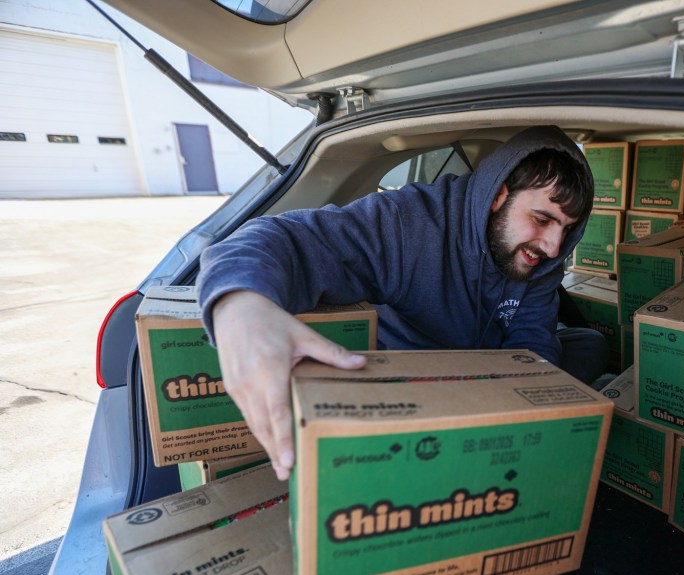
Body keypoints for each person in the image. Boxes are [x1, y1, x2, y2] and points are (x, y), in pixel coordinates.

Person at [197, 125, 607, 481]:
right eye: (542, 219)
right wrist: (242, 306)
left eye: (566, 228)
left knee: (591, 343)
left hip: (493, 387)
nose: (553, 247)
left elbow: (532, 338)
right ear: (500, 195)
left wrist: (526, 413)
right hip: (413, 396)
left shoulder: (541, 257)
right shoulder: (406, 223)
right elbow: (281, 238)